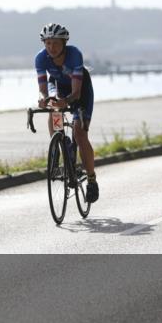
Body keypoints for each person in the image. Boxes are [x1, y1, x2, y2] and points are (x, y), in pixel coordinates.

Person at [34, 22, 99, 202]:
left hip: (80, 90)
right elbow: (43, 88)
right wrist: (43, 98)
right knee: (53, 111)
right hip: (58, 86)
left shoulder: (74, 55)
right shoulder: (40, 59)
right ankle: (58, 147)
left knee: (80, 134)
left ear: (64, 43)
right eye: (47, 43)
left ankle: (92, 180)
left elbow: (76, 93)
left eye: (55, 43)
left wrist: (67, 101)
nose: (51, 47)